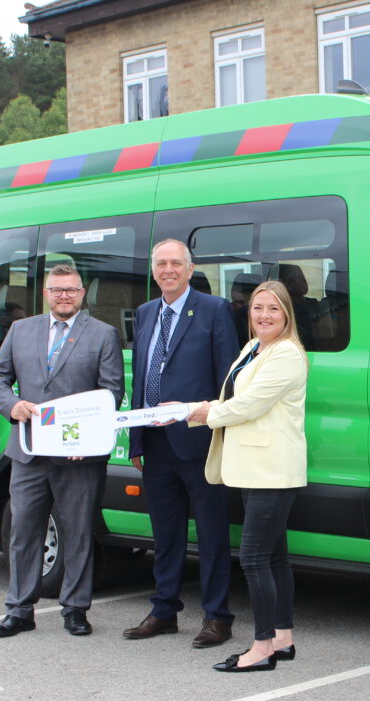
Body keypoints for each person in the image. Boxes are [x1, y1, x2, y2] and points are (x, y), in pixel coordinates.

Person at [0, 263, 125, 637]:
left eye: (72, 290)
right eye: (57, 290)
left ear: (83, 295)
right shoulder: (21, 330)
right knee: (24, 533)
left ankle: (76, 609)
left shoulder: (103, 335)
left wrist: (88, 438)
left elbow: (111, 392)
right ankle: (19, 610)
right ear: (46, 294)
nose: (65, 296)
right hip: (28, 453)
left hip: (79, 458)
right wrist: (11, 406)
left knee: (79, 534)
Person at [185, 280, 308, 672]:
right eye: (257, 308)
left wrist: (208, 415)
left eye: (273, 308)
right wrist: (194, 407)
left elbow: (252, 405)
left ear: (286, 313)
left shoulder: (286, 353)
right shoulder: (255, 347)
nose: (264, 316)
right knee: (273, 557)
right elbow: (232, 397)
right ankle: (283, 638)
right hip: (255, 468)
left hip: (272, 470)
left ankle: (261, 648)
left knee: (254, 559)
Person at [123, 238, 240, 648]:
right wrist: (135, 440)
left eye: (176, 263)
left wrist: (199, 412)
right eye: (161, 264)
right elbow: (141, 381)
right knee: (165, 535)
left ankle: (217, 616)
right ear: (153, 271)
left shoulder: (214, 310)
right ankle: (164, 610)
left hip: (199, 442)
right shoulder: (144, 313)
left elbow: (228, 380)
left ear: (190, 270)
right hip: (154, 445)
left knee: (211, 535)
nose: (168, 270)